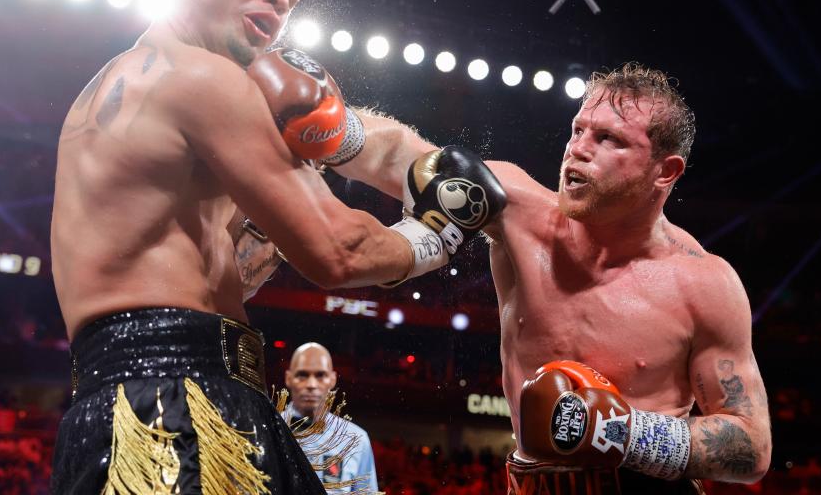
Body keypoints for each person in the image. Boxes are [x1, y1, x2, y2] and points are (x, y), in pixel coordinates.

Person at [49, 0, 504, 494]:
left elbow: (360, 150)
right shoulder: (205, 79)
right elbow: (337, 251)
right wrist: (438, 234)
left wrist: (415, 164)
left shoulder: (123, 84)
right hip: (178, 404)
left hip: (123, 397)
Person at [329, 64, 772, 493]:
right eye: (578, 130)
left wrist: (624, 433)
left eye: (608, 139)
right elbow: (402, 158)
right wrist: (324, 119)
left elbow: (751, 446)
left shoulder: (703, 283)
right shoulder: (516, 211)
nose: (578, 148)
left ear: (665, 171)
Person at [282, 343, 379, 493]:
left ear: (332, 379)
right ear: (288, 378)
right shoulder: (266, 429)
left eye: (320, 375)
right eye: (302, 375)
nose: (311, 384)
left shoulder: (356, 440)